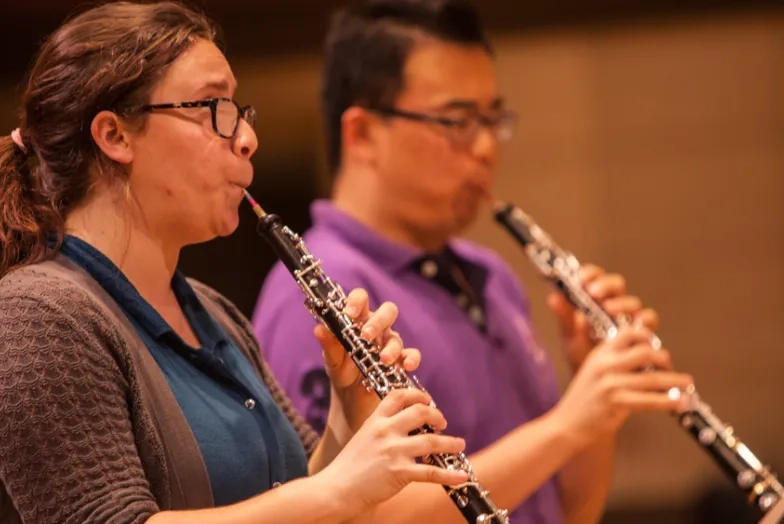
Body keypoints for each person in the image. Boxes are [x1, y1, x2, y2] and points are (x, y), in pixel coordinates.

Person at [0, 2, 472, 523]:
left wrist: (349, 409)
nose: (246, 138)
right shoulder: (37, 316)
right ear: (115, 135)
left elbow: (295, 495)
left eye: (238, 110)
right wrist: (338, 491)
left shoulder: (216, 312)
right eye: (212, 108)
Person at [252, 1, 694, 523]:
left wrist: (596, 401)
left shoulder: (494, 277)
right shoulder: (314, 296)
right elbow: (349, 517)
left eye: (492, 119)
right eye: (457, 121)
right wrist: (566, 426)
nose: (485, 147)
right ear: (363, 134)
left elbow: (571, 510)